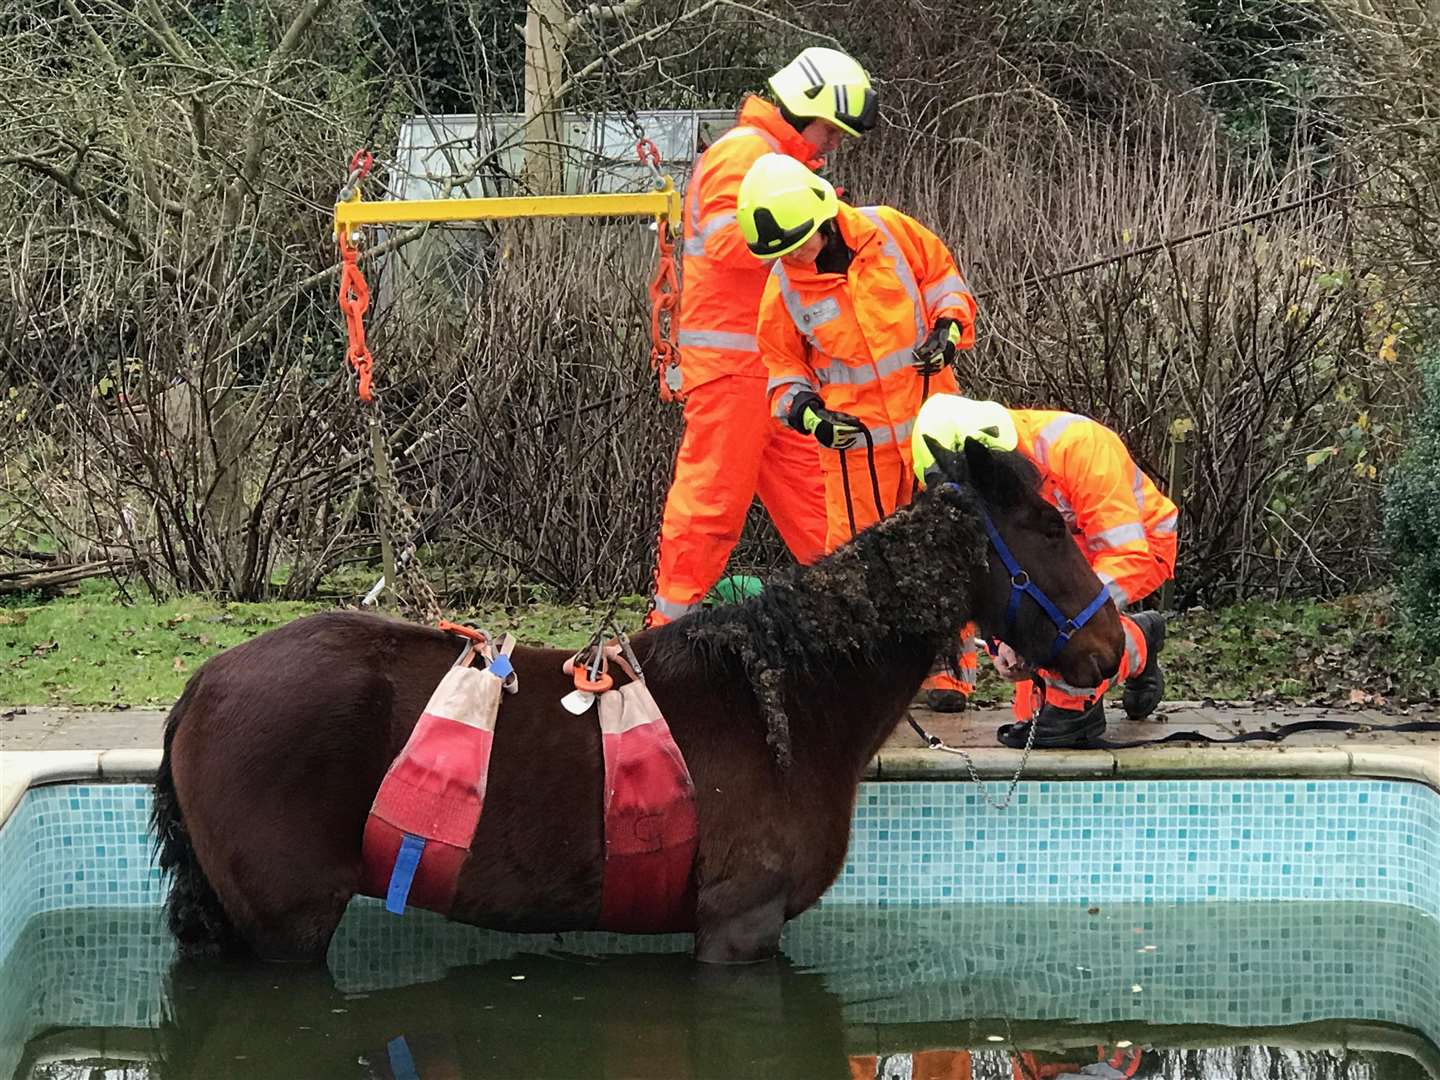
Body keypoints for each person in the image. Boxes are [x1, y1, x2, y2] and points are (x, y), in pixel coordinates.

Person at [740, 153, 981, 709]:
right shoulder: (785, 291)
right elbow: (782, 372)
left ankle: (949, 672)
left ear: (823, 217)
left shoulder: (890, 232)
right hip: (857, 449)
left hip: (932, 426)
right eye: (780, 252)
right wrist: (811, 418)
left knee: (946, 547)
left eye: (797, 244)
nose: (793, 258)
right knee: (859, 565)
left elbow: (945, 279)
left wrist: (947, 330)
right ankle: (869, 676)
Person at [647, 47, 878, 627]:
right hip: (733, 371)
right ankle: (665, 635)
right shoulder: (745, 155)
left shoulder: (775, 162)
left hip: (774, 375)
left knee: (824, 509)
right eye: (833, 129)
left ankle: (873, 632)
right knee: (711, 507)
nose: (834, 143)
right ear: (806, 112)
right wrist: (808, 228)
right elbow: (728, 242)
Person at [911, 394, 1178, 748]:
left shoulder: (1081, 447)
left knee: (1068, 682)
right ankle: (1140, 636)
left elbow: (1127, 555)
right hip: (1063, 563)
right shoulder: (992, 483)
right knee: (1032, 713)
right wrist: (1003, 642)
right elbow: (999, 573)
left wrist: (1052, 628)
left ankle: (1134, 643)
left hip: (1142, 545)